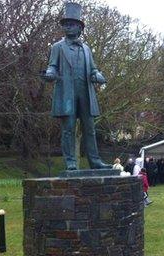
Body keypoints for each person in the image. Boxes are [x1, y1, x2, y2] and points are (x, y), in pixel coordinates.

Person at [42, 2, 107, 170]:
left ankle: (95, 161)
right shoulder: (57, 47)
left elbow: (93, 69)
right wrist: (49, 74)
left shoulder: (86, 48)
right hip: (67, 94)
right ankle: (70, 162)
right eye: (66, 25)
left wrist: (97, 76)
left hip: (85, 92)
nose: (68, 27)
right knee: (68, 130)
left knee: (90, 129)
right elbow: (52, 66)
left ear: (79, 28)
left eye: (71, 24)